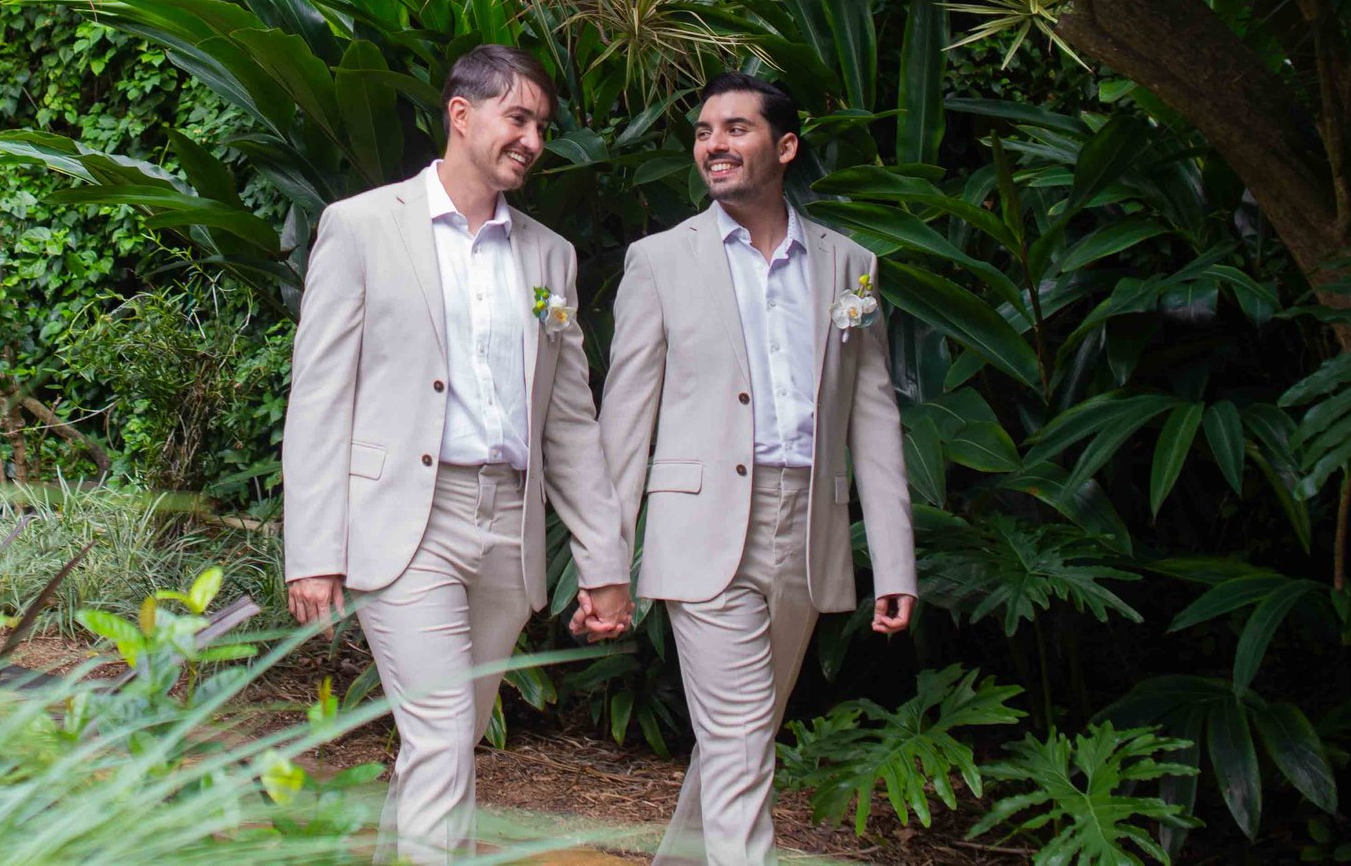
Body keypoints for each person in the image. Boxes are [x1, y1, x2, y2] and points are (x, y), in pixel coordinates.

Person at [281, 44, 635, 864]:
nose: (534, 140)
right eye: (519, 118)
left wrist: (603, 558)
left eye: (542, 125)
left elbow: (570, 419)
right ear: (461, 113)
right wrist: (314, 549)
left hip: (508, 529)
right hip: (407, 522)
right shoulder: (362, 226)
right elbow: (321, 395)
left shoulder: (551, 257)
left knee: (444, 743)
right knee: (441, 734)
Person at [599, 73, 917, 866]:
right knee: (742, 741)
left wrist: (896, 562)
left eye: (735, 128)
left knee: (741, 737)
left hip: (807, 530)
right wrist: (603, 557)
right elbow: (625, 419)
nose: (714, 143)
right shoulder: (659, 260)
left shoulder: (851, 265)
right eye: (705, 130)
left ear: (784, 147)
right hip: (702, 532)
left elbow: (872, 414)